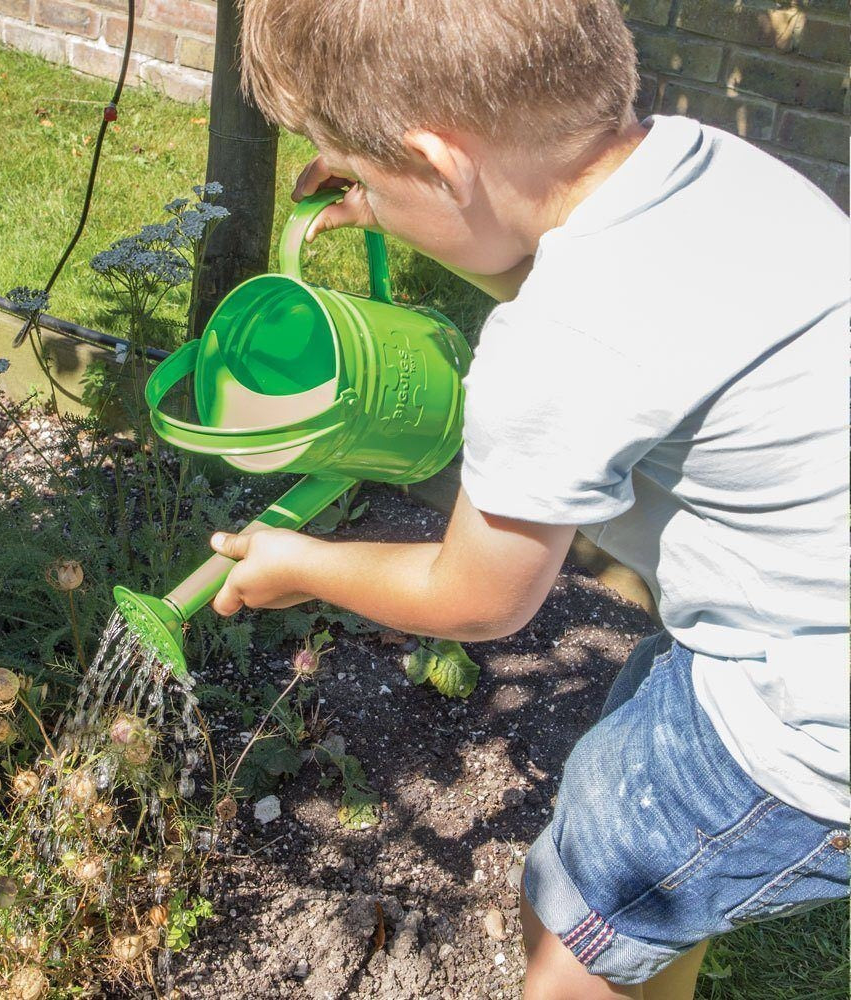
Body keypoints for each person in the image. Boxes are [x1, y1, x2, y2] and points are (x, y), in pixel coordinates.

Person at [205, 2, 851, 997]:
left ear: (442, 162)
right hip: (809, 621)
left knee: (580, 911)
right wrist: (407, 200)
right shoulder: (705, 163)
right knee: (640, 852)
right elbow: (581, 291)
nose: (358, 192)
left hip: (798, 726)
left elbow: (476, 598)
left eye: (366, 171)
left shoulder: (557, 345)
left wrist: (303, 564)